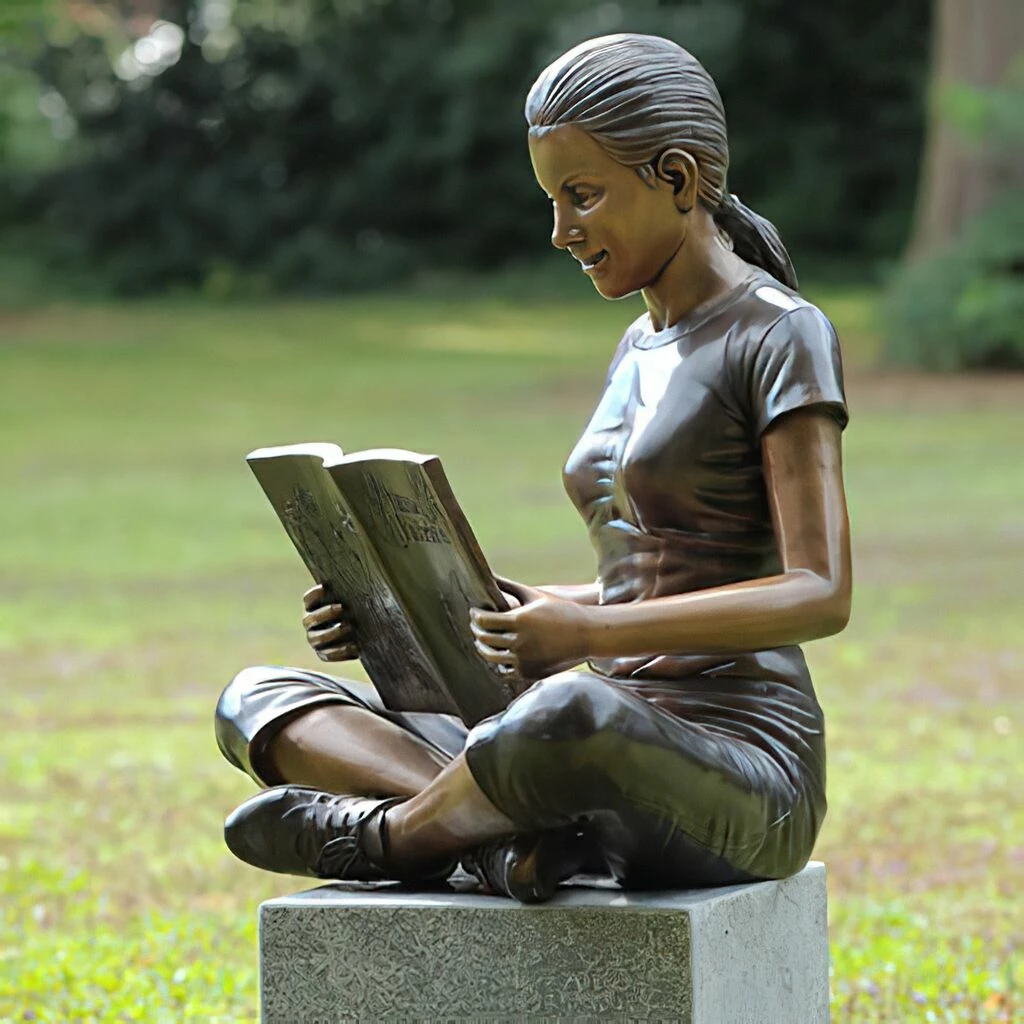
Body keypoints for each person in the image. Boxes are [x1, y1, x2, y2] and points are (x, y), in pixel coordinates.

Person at [215, 33, 851, 903]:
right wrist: (485, 610)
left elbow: (819, 590)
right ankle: (496, 846)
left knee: (565, 715)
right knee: (260, 697)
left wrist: (584, 640)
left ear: (676, 177)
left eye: (582, 196)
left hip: (736, 769)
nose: (560, 232)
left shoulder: (780, 332)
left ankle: (394, 837)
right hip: (593, 745)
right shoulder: (638, 343)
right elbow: (645, 577)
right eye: (552, 200)